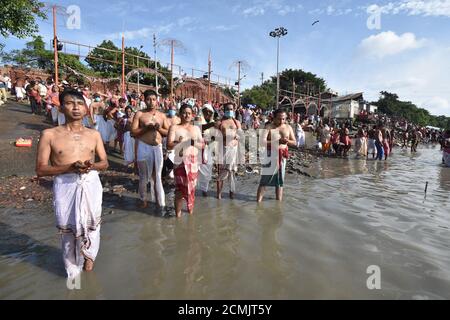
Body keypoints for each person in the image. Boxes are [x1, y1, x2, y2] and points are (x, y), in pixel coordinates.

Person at [35, 89, 108, 279]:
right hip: (65, 184)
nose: (76, 107)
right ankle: (73, 277)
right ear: (61, 108)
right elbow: (41, 169)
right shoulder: (49, 134)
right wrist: (69, 167)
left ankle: (89, 267)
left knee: (92, 226)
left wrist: (91, 166)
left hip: (90, 182)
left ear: (85, 108)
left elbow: (104, 163)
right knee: (68, 230)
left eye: (80, 103)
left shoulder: (94, 134)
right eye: (69, 103)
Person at [131, 89, 170, 209]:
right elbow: (133, 132)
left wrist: (158, 129)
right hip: (144, 147)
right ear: (144, 100)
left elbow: (168, 132)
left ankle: (159, 201)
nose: (151, 102)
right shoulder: (139, 114)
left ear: (157, 101)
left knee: (157, 175)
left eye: (153, 99)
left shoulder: (162, 115)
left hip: (157, 148)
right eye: (148, 99)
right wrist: (146, 129)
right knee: (143, 176)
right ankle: (143, 200)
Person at [167, 104, 203, 217]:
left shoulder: (196, 128)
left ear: (192, 115)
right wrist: (181, 143)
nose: (186, 115)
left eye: (189, 113)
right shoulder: (174, 128)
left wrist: (193, 143)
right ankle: (178, 214)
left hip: (193, 162)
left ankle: (190, 211)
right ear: (180, 113)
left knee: (191, 189)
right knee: (179, 190)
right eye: (184, 112)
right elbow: (169, 145)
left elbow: (202, 145)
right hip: (179, 161)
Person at [257, 109, 296, 202]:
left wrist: (287, 141)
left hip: (282, 155)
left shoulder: (288, 127)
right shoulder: (268, 127)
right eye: (279, 119)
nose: (281, 121)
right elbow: (262, 142)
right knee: (265, 180)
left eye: (283, 119)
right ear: (273, 118)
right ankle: (258, 202)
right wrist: (277, 141)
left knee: (280, 181)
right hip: (270, 155)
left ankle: (278, 203)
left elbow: (294, 142)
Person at [216, 102, 242, 200]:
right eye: (227, 109)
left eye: (231, 109)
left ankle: (232, 194)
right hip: (223, 149)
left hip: (234, 149)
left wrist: (236, 135)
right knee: (222, 172)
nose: (229, 111)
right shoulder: (220, 122)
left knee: (232, 172)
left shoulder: (236, 122)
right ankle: (218, 195)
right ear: (224, 110)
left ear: (234, 110)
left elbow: (240, 135)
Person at [198, 104, 217, 196]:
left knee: (207, 170)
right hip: (197, 148)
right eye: (206, 111)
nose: (208, 113)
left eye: (210, 111)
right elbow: (199, 128)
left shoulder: (213, 122)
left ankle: (204, 190)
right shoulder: (198, 119)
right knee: (195, 169)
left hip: (208, 148)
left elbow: (214, 136)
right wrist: (211, 125)